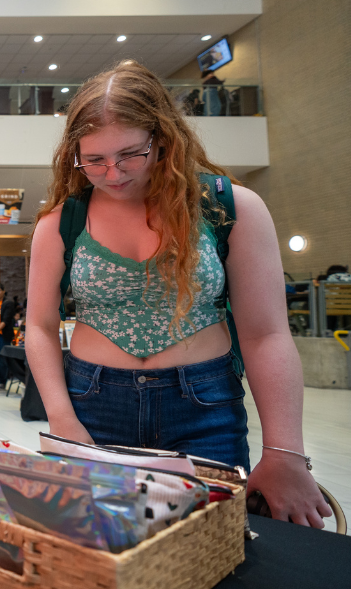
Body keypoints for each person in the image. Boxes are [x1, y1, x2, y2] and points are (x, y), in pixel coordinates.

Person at [25, 61, 330, 527]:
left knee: (211, 549)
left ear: (163, 138)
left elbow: (265, 333)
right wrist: (63, 420)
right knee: (99, 552)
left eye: (130, 154)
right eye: (93, 160)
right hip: (93, 405)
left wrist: (285, 451)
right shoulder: (60, 223)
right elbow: (40, 327)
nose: (112, 173)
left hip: (204, 407)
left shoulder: (230, 207)